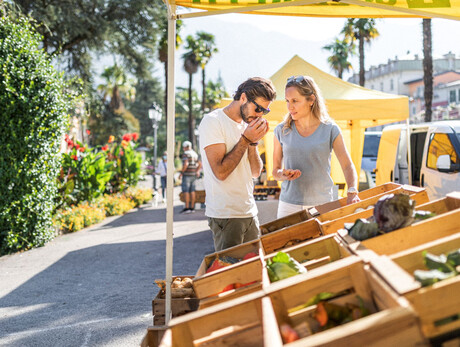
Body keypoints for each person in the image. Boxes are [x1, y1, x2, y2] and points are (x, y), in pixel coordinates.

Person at [198, 77, 277, 251]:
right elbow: (220, 172)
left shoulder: (246, 125)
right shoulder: (213, 121)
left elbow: (256, 172)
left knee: (255, 271)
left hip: (249, 211)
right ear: (243, 98)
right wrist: (246, 139)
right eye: (258, 108)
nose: (259, 115)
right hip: (226, 214)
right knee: (232, 273)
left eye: (265, 111)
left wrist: (253, 142)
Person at [272, 75, 360, 218]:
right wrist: (283, 174)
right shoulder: (281, 130)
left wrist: (352, 191)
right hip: (289, 205)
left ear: (311, 100)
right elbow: (275, 171)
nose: (290, 107)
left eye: (295, 101)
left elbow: (347, 166)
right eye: (287, 101)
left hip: (324, 204)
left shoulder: (330, 129)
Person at [179, 141, 202, 214]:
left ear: (185, 147)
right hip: (193, 175)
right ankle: (192, 207)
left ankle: (187, 208)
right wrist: (197, 171)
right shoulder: (194, 154)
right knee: (192, 191)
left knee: (186, 191)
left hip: (187, 175)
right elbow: (200, 164)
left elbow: (186, 164)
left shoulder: (186, 154)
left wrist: (181, 173)